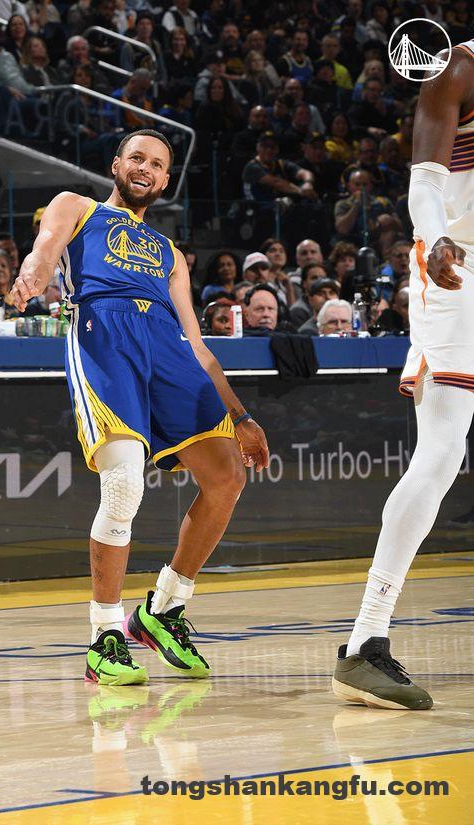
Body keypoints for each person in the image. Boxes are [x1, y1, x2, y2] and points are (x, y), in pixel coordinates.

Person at [11, 129, 269, 685]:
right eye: (136, 158)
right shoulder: (76, 206)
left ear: (165, 180)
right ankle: (105, 634)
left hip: (168, 350)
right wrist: (34, 274)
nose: (144, 168)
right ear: (116, 164)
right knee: (125, 485)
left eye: (156, 163)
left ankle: (163, 608)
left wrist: (241, 415)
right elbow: (45, 249)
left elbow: (197, 344)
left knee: (227, 476)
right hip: (106, 336)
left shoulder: (171, 253)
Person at [333, 38, 474, 711]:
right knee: (441, 452)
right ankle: (365, 640)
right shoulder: (460, 68)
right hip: (457, 265)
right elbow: (425, 180)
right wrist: (434, 236)